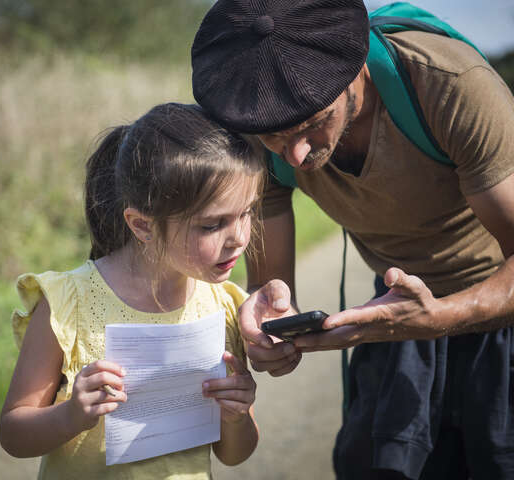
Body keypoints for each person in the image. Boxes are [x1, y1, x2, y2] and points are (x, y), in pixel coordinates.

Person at [191, 0, 514, 479]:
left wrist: (439, 317)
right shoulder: (254, 121)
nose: (296, 156)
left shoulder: (449, 87)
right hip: (395, 315)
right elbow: (272, 286)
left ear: (359, 63)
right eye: (274, 139)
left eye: (313, 124)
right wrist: (270, 322)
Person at [0, 102, 263, 479]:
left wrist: (236, 417)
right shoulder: (67, 303)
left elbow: (234, 455)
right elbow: (13, 434)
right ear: (143, 226)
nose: (238, 238)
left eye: (247, 212)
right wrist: (71, 414)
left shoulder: (223, 307)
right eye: (212, 225)